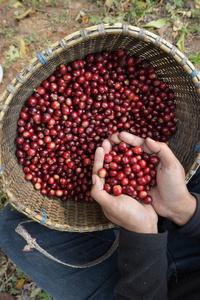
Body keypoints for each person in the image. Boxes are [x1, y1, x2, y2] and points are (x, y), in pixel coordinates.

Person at [0, 132, 200, 300]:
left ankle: (116, 223)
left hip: (147, 290)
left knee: (15, 223)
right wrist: (184, 208)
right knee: (183, 153)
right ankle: (116, 220)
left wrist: (144, 231)